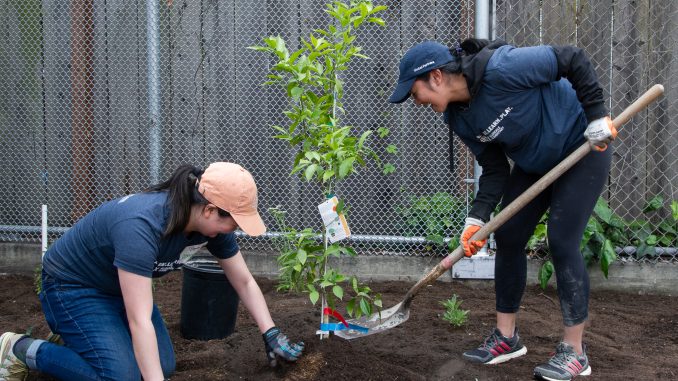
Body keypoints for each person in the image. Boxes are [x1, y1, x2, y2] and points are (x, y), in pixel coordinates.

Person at [389, 39, 615, 380]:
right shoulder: (459, 117)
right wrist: (475, 220)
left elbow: (571, 58)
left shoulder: (503, 68)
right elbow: (494, 169)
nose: (415, 100)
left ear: (435, 77)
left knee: (562, 240)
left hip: (581, 146)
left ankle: (575, 351)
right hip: (535, 163)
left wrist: (597, 115)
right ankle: (506, 338)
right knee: (508, 235)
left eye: (414, 91)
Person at [0, 162, 304, 381]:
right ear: (210, 210)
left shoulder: (212, 227)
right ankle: (19, 348)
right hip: (71, 288)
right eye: (234, 223)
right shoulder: (141, 226)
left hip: (118, 288)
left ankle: (82, 341)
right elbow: (139, 319)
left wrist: (271, 333)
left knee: (162, 366)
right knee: (121, 376)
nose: (234, 230)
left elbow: (244, 281)